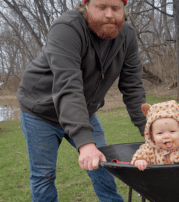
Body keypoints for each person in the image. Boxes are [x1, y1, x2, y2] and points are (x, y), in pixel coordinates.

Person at [16, 0, 146, 201]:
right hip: (40, 111)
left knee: (104, 167)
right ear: (86, 6)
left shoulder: (127, 36)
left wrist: (150, 130)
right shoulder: (67, 28)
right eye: (102, 7)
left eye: (115, 8)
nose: (110, 14)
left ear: (123, 9)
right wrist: (85, 144)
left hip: (83, 111)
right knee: (44, 176)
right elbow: (68, 86)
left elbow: (133, 88)